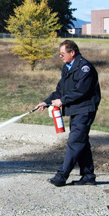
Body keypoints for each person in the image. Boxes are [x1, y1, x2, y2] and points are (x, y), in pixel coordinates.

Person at [35, 40, 101, 187]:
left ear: (72, 52)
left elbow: (81, 91)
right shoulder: (67, 67)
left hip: (85, 109)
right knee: (81, 141)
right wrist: (46, 102)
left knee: (75, 141)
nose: (60, 56)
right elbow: (60, 90)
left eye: (62, 54)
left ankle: (61, 176)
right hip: (76, 110)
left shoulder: (85, 68)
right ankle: (88, 176)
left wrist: (62, 101)